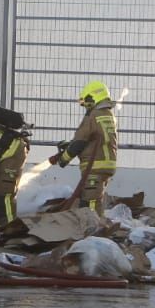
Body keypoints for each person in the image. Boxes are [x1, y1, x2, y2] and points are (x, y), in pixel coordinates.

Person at [48, 80, 118, 214]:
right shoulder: (108, 115)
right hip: (106, 165)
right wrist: (70, 145)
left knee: (89, 206)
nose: (86, 106)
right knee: (94, 202)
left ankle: (92, 231)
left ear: (94, 97)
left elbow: (80, 141)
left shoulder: (93, 116)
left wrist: (64, 158)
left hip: (95, 166)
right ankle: (96, 229)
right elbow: (94, 138)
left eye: (87, 101)